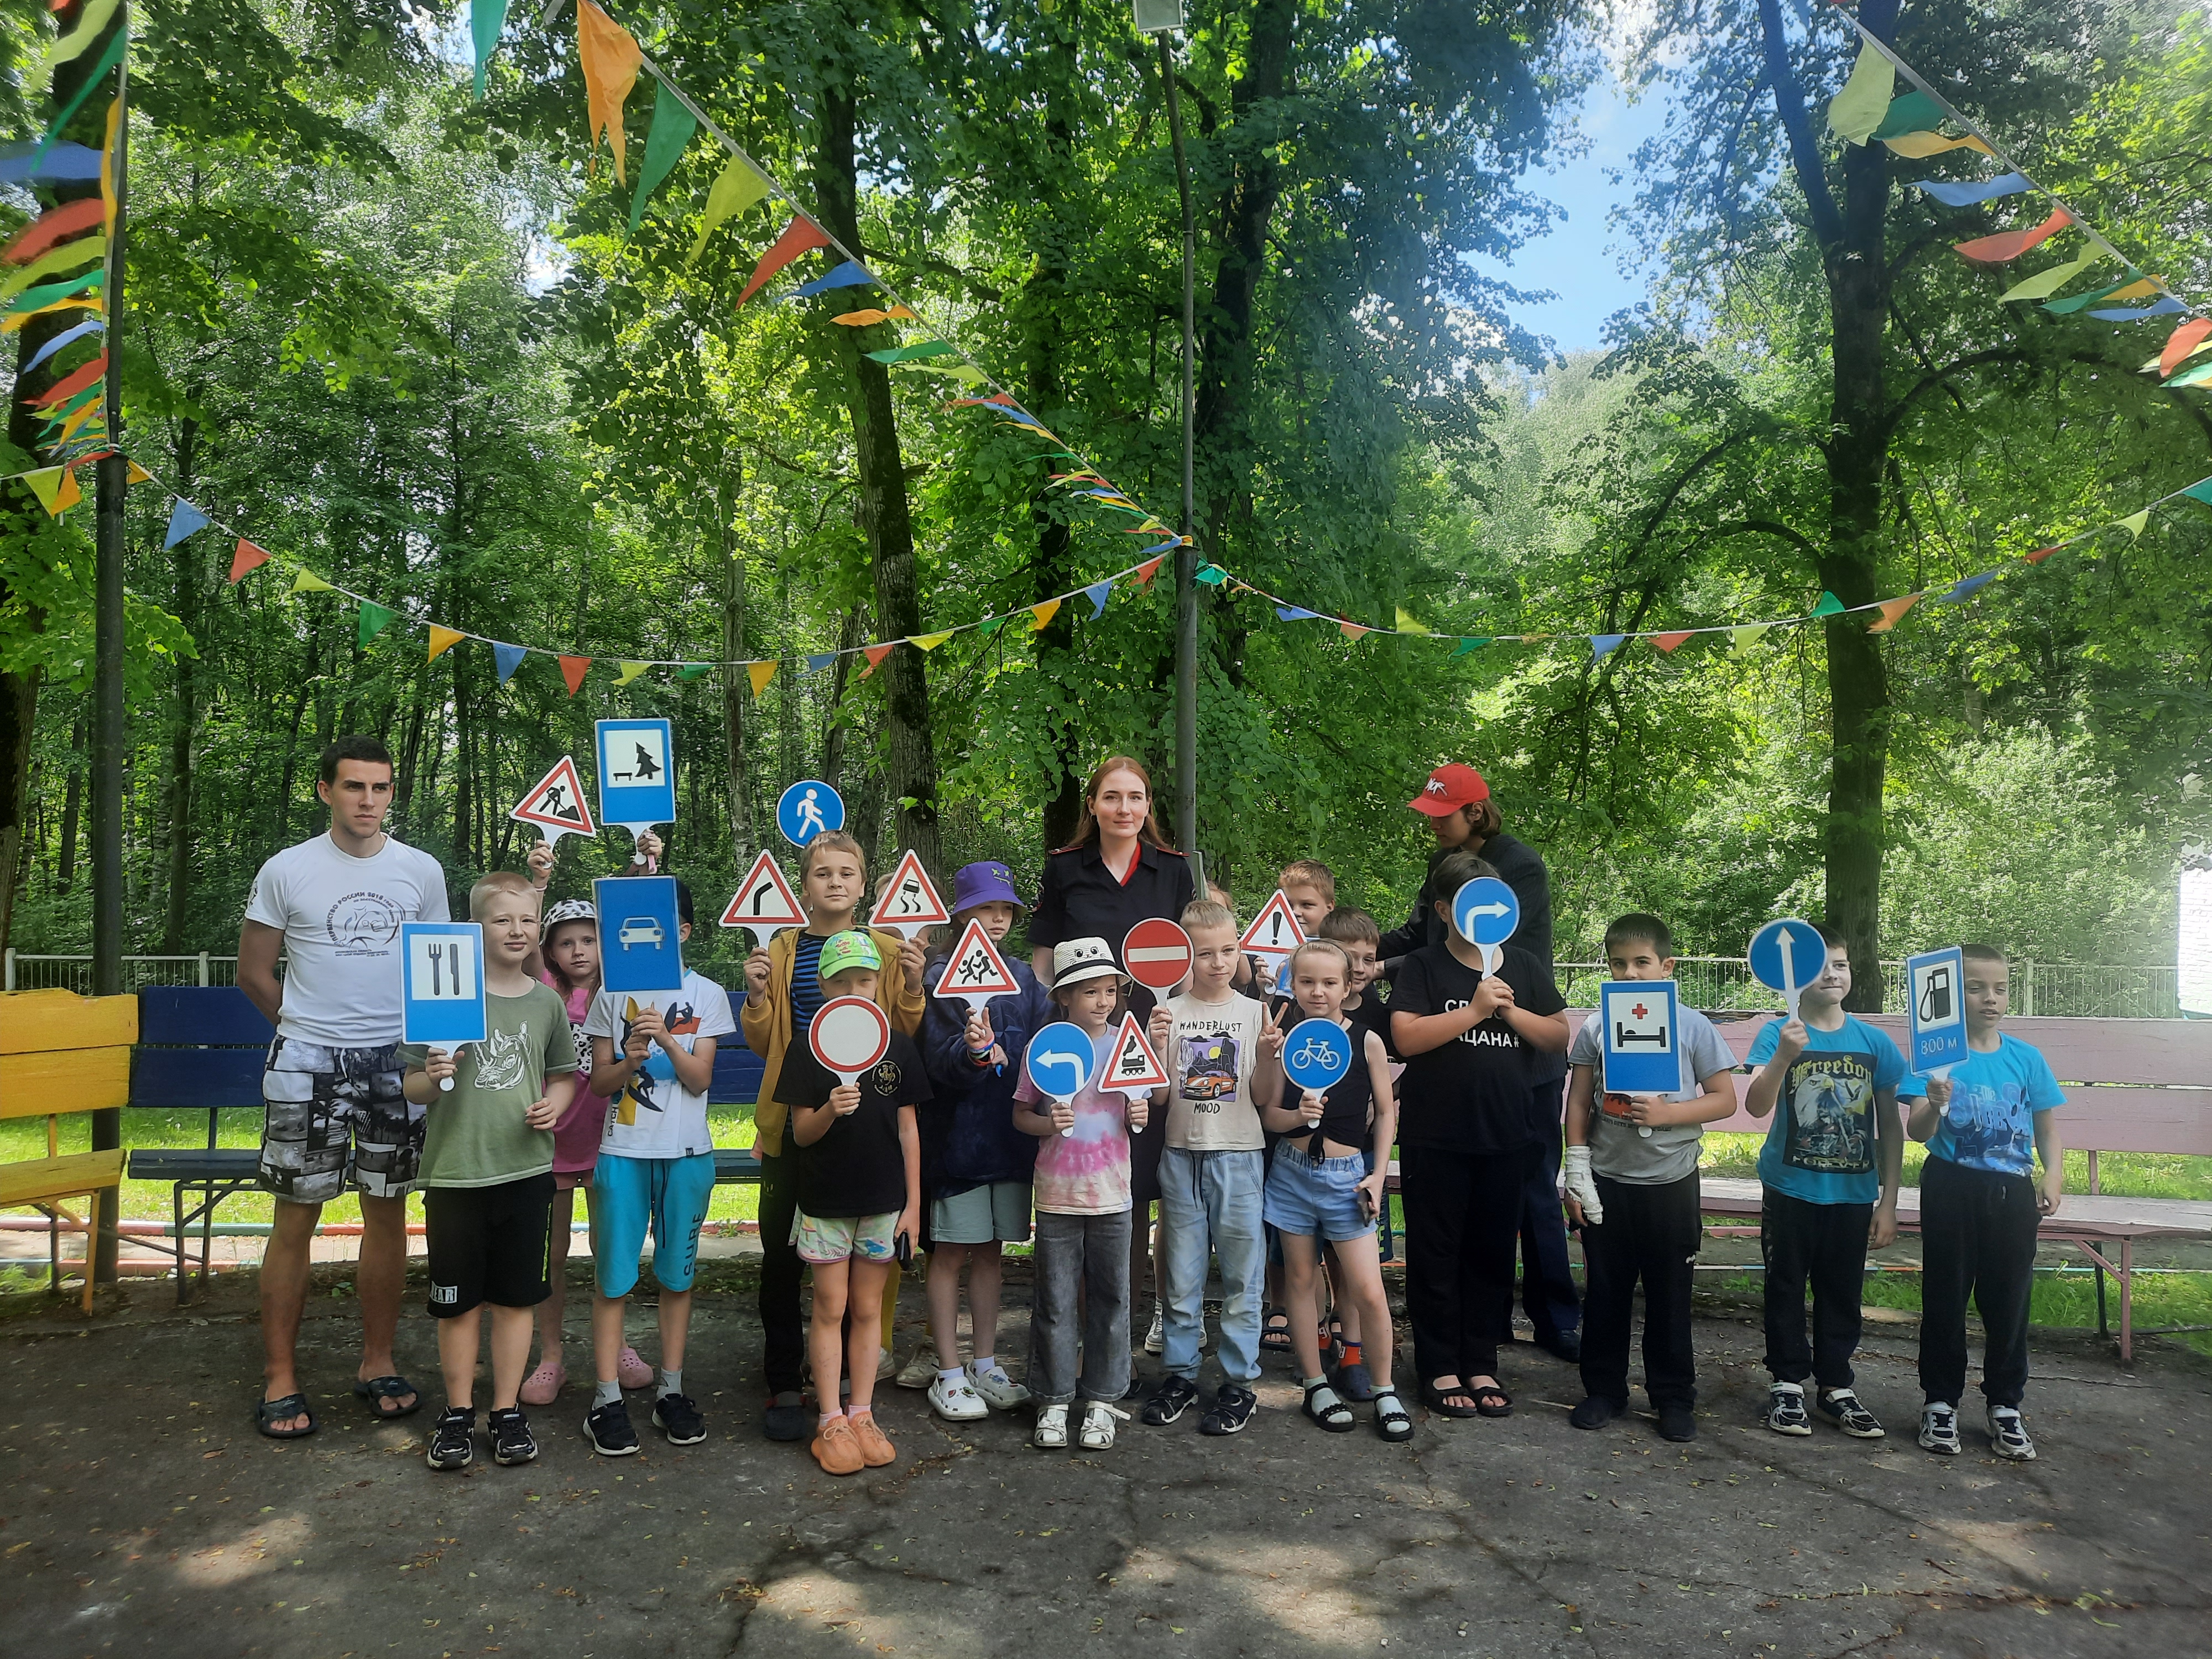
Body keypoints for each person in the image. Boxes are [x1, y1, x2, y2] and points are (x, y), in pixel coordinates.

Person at [237, 735, 450, 1439]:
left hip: (397, 1063)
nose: (368, 801)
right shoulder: (286, 869)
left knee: (387, 1211)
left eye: (380, 789)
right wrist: (305, 1032)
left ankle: (377, 1363)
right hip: (309, 1063)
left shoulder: (420, 872)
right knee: (296, 1215)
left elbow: (440, 973)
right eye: (354, 787)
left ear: (392, 794)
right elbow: (255, 972)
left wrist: (428, 1049)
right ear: (326, 790)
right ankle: (280, 1377)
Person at [1384, 763, 1578, 1363]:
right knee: (1466, 1216)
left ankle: (1555, 1319)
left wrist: (1395, 969)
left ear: (1475, 812)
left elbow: (1484, 944)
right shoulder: (1441, 868)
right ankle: (1481, 1328)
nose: (1433, 824)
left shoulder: (1516, 867)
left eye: (1442, 815)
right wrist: (1357, 953)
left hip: (1520, 1068)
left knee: (1533, 1194)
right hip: (1453, 1080)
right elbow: (1420, 938)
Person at [743, 831, 928, 1439]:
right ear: (805, 885)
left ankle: (856, 1384)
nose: (836, 883)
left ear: (861, 881)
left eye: (848, 873)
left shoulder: (883, 945)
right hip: (798, 1120)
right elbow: (763, 1039)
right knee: (782, 1259)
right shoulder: (783, 946)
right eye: (823, 873)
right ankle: (784, 1382)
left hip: (866, 1132)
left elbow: (898, 1031)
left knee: (869, 1265)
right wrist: (755, 998)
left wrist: (911, 985)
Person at [401, 872, 578, 1470]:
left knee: (515, 1300)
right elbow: (415, 1088)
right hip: (454, 1176)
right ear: (473, 929)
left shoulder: (545, 1000)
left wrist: (557, 1103)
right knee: (455, 1304)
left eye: (527, 921)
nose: (517, 930)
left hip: (526, 1174)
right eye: (502, 920)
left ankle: (505, 1411)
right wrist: (434, 1070)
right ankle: (456, 1412)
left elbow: (562, 1073)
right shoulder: (442, 995)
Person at [1027, 757, 1195, 1366]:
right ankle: (1067, 1341)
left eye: (1137, 798)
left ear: (1149, 807)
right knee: (1077, 1188)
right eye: (1112, 797)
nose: (1125, 809)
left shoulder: (1174, 872)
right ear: (1093, 805)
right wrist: (1054, 1037)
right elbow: (1044, 961)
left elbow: (1190, 953)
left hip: (1146, 1048)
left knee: (1132, 1193)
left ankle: (1117, 1344)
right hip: (1077, 1053)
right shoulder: (1064, 868)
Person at [1559, 914, 1739, 1443]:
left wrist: (1667, 1115)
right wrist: (1576, 1169)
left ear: (1667, 967)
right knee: (1606, 1292)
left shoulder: (1692, 1026)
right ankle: (1604, 1390)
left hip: (1671, 1184)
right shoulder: (1596, 1027)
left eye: (1643, 963)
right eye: (1619, 964)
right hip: (1609, 1182)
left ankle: (1673, 1397)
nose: (1631, 974)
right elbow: (1578, 1099)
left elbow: (1724, 1099)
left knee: (1669, 1295)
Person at [1744, 924, 1924, 1440]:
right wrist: (1782, 1056)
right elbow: (1757, 1106)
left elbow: (1890, 1125)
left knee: (1842, 1291)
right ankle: (1786, 1384)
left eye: (1840, 964)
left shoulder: (1873, 1043)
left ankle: (1836, 1386)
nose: (1831, 973)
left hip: (1853, 1194)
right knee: (1784, 1287)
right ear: (1793, 977)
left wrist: (1889, 1200)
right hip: (1789, 1189)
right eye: (1820, 964)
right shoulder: (1776, 1033)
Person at [580, 879, 734, 1455]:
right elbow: (599, 1083)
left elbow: (700, 1080)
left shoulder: (708, 994)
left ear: (684, 934)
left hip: (687, 1155)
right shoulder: (607, 995)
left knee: (677, 1277)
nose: (639, 942)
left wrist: (667, 1041)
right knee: (613, 1279)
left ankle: (670, 1389)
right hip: (622, 1154)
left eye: (658, 930)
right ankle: (606, 1400)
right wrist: (629, 1061)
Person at [515, 825, 663, 1405]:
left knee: (611, 1249)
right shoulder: (539, 993)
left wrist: (647, 864)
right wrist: (538, 881)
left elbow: (641, 921)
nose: (579, 951)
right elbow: (519, 937)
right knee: (548, 1256)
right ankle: (550, 1356)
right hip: (548, 1145)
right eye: (566, 942)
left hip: (608, 1143)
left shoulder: (623, 991)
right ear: (550, 951)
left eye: (589, 940)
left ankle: (616, 1344)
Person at [774, 932, 928, 1475]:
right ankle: (829, 1421)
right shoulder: (804, 1047)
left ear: (879, 983)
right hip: (824, 1204)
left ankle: (862, 1413)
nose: (854, 990)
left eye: (864, 980)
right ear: (822, 986)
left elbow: (909, 1130)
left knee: (867, 1310)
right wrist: (829, 1109)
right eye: (842, 981)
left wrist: (912, 1204)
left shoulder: (898, 1046)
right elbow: (800, 1135)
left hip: (884, 1204)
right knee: (829, 1308)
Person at [1909, 945, 2065, 1462]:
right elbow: (1918, 1132)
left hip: (2013, 1193)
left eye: (1998, 988)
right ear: (1952, 997)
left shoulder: (2025, 1058)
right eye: (1975, 988)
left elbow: (2046, 1122)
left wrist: (2054, 1173)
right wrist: (1933, 1103)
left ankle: (2005, 1405)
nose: (1990, 998)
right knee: (1946, 1297)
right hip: (1952, 1187)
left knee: (2009, 1301)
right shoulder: (1938, 1060)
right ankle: (1939, 1402)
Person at [1138, 898, 1280, 1437]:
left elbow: (1265, 1097)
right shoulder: (1169, 1011)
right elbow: (1154, 1098)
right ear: (1183, 957)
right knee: (1181, 1277)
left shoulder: (1254, 1013)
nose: (1218, 962)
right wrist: (1153, 1046)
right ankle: (1178, 1376)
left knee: (1243, 1278)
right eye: (1204, 953)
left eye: (1228, 950)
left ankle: (1238, 1383)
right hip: (1180, 1158)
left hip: (1240, 1159)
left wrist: (1268, 1056)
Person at [1259, 938, 1411, 1441]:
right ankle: (1315, 1383)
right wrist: (1296, 1114)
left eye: (1329, 983)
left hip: (1349, 1179)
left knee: (1368, 1287)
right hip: (1292, 1173)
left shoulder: (1367, 1039)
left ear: (1349, 987)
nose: (1318, 992)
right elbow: (1270, 1115)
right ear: (1293, 985)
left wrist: (1377, 1172)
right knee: (1301, 1280)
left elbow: (1386, 1111)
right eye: (1307, 982)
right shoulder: (1286, 1040)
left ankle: (1385, 1388)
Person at [915, 862, 1049, 1422]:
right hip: (955, 1150)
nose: (996, 918)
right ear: (960, 912)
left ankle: (985, 1363)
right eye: (985, 908)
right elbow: (934, 1061)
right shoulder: (936, 978)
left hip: (1010, 1145)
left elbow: (1046, 1052)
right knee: (949, 1255)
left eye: (1005, 910)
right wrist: (971, 1054)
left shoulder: (1023, 979)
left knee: (992, 1254)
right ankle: (947, 1371)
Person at [1014, 938, 1148, 1450]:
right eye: (1089, 991)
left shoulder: (1124, 1044)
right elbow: (1021, 1114)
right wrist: (1046, 1122)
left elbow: (1145, 1101)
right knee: (1054, 1301)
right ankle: (1052, 1400)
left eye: (1110, 990)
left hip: (1114, 1195)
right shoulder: (1044, 1046)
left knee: (1113, 1300)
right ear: (1064, 996)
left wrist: (1141, 1113)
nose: (1102, 1001)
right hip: (1056, 1196)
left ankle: (1102, 1401)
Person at [1316, 903, 1395, 1399]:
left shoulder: (1378, 1018)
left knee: (1353, 1264)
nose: (1362, 969)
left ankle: (1353, 1351)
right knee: (1309, 1259)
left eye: (1369, 959)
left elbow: (1394, 1078)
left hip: (1358, 1157)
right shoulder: (1300, 1007)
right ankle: (1320, 1333)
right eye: (1351, 958)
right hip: (1300, 1157)